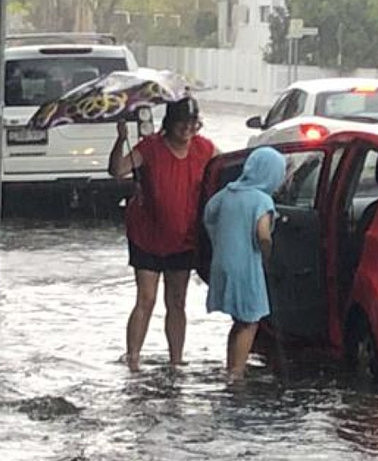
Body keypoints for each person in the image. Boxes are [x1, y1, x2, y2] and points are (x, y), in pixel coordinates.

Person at [108, 96, 216, 371]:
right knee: (146, 298)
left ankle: (176, 360)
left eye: (193, 123)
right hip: (147, 235)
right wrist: (120, 139)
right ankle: (133, 358)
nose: (188, 129)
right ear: (170, 123)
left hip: (183, 238)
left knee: (177, 300)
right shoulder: (151, 147)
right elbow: (117, 170)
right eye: (182, 123)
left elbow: (226, 171)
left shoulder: (205, 149)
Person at [203, 147, 287, 381]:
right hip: (247, 267)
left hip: (222, 264)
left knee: (238, 320)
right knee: (250, 320)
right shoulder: (262, 200)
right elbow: (263, 235)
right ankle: (236, 373)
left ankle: (232, 366)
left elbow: (208, 216)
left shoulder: (226, 194)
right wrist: (268, 256)